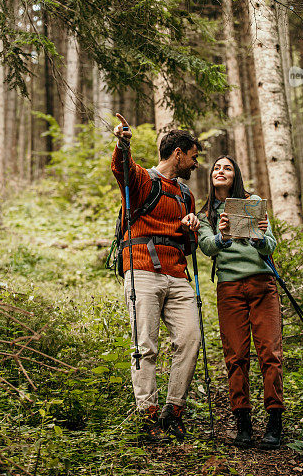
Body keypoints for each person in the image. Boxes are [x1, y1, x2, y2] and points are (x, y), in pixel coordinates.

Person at [111, 113, 202, 443]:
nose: (195, 164)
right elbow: (122, 169)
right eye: (193, 157)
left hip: (178, 275)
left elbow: (189, 244)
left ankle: (172, 411)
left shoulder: (186, 195)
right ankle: (147, 416)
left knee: (190, 338)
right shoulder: (143, 180)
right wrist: (123, 142)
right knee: (144, 345)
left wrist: (191, 227)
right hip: (142, 270)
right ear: (178, 153)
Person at [197, 155, 284, 450]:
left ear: (236, 176)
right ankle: (243, 423)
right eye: (217, 168)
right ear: (211, 176)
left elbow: (270, 245)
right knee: (236, 356)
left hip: (262, 285)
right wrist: (221, 236)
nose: (221, 171)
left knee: (270, 353)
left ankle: (274, 422)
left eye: (228, 168)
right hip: (229, 289)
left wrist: (260, 236)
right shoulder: (206, 213)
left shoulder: (252, 202)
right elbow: (207, 247)